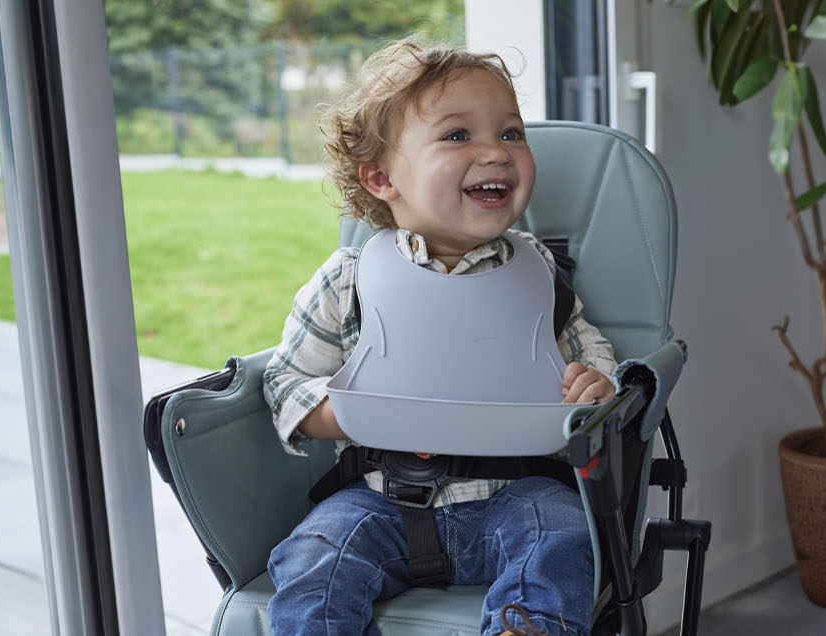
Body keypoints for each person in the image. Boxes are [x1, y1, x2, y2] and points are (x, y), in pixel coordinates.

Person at [262, 35, 616, 636]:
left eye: (511, 133)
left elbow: (591, 357)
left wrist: (595, 384)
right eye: (458, 136)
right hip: (378, 501)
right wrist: (350, 417)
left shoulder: (539, 274)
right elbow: (285, 380)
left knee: (561, 531)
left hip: (516, 492)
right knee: (313, 552)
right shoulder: (350, 278)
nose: (497, 153)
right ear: (380, 178)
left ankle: (522, 628)